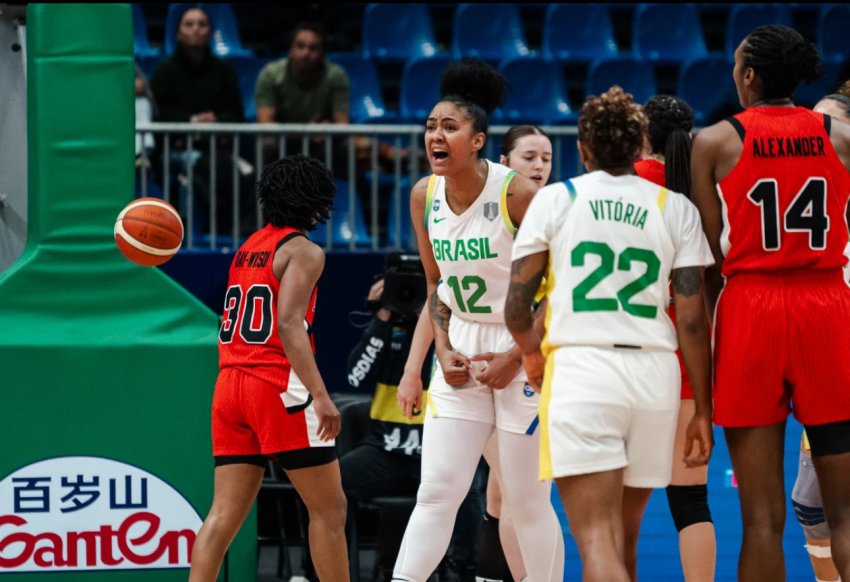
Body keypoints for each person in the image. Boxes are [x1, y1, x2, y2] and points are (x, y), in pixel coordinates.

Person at [505, 85, 715, 582]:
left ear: (582, 149)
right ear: (639, 141)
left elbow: (517, 307)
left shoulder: (557, 199)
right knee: (624, 540)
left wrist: (533, 359)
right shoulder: (675, 208)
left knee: (597, 544)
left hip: (584, 370)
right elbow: (690, 318)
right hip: (656, 376)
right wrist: (704, 408)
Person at [392, 57, 565, 582]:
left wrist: (518, 356)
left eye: (450, 127)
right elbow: (435, 284)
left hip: (523, 346)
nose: (435, 136)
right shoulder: (424, 195)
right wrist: (440, 349)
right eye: (430, 126)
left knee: (525, 500)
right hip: (462, 344)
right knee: (437, 490)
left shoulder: (518, 194)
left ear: (478, 140)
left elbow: (559, 290)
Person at [690, 24, 850, 581]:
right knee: (846, 514)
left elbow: (708, 261)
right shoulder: (841, 135)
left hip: (750, 308)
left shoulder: (713, 141)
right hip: (827, 303)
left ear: (750, 75)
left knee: (761, 518)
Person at [189, 154, 349, 582]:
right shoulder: (305, 251)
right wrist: (320, 395)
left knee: (222, 516)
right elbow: (289, 324)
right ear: (315, 201)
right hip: (277, 387)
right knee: (330, 510)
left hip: (229, 387)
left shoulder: (248, 247)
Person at [340, 259, 486, 582]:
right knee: (329, 486)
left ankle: (464, 571)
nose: (408, 295)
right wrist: (381, 317)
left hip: (434, 449)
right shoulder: (385, 324)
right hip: (384, 451)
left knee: (470, 488)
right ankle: (323, 572)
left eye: (416, 287)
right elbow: (354, 376)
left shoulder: (447, 322)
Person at [634, 95, 717, 582]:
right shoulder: (702, 191)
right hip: (687, 356)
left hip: (628, 357)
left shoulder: (619, 186)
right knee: (690, 499)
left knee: (620, 503)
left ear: (641, 134)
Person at [475, 124, 553, 582]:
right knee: (509, 491)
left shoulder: (555, 213)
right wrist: (412, 370)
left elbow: (558, 297)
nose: (540, 165)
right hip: (483, 367)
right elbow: (440, 294)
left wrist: (516, 355)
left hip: (534, 368)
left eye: (545, 157)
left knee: (512, 495)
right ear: (505, 163)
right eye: (529, 156)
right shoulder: (479, 215)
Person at [789, 91, 850, 582]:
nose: (816, 135)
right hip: (828, 352)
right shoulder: (800, 189)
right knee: (812, 505)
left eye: (826, 125)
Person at [149, 6, 250, 239]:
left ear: (210, 32)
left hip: (216, 149)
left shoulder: (223, 71)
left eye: (202, 24)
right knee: (203, 166)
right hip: (175, 151)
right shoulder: (166, 71)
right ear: (178, 33)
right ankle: (202, 231)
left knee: (246, 175)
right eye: (189, 24)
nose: (196, 29)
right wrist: (192, 121)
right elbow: (160, 115)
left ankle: (239, 235)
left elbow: (236, 115)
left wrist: (216, 120)